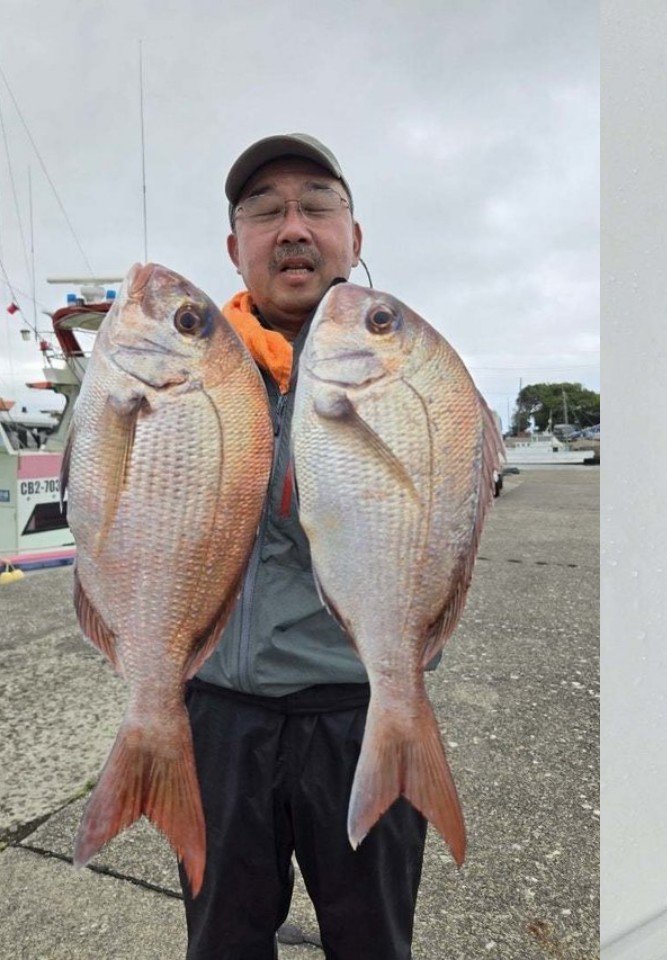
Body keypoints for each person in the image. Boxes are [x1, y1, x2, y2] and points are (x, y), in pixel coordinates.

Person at [180, 133, 427, 960]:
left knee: (374, 943)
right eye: (265, 211)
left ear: (354, 238)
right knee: (221, 943)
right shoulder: (186, 371)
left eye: (318, 205)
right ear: (234, 246)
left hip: (362, 710)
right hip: (218, 714)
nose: (293, 227)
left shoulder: (400, 368)